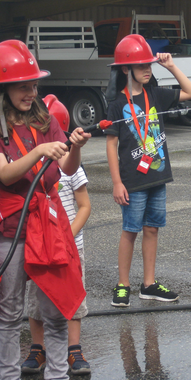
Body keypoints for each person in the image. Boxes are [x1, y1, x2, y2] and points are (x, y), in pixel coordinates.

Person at [0, 40, 90, 379]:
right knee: (9, 314)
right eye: (23, 85)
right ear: (4, 86)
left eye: (34, 84)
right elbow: (5, 174)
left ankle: (57, 375)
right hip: (11, 230)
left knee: (54, 313)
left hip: (47, 228)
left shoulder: (46, 120)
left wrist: (75, 147)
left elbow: (66, 168)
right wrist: (39, 150)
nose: (31, 91)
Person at [104, 34, 191, 307]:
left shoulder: (154, 94)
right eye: (142, 65)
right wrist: (116, 182)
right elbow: (111, 146)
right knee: (130, 230)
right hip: (132, 181)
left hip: (158, 176)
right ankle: (123, 285)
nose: (148, 70)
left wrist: (171, 67)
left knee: (152, 229)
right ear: (125, 69)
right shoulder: (116, 105)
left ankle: (149, 284)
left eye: (150, 65)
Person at [21, 95, 92, 376]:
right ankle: (38, 348)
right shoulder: (31, 159)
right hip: (39, 244)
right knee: (36, 299)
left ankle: (73, 349)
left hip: (68, 244)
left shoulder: (69, 164)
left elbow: (85, 206)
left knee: (71, 298)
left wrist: (64, 237)